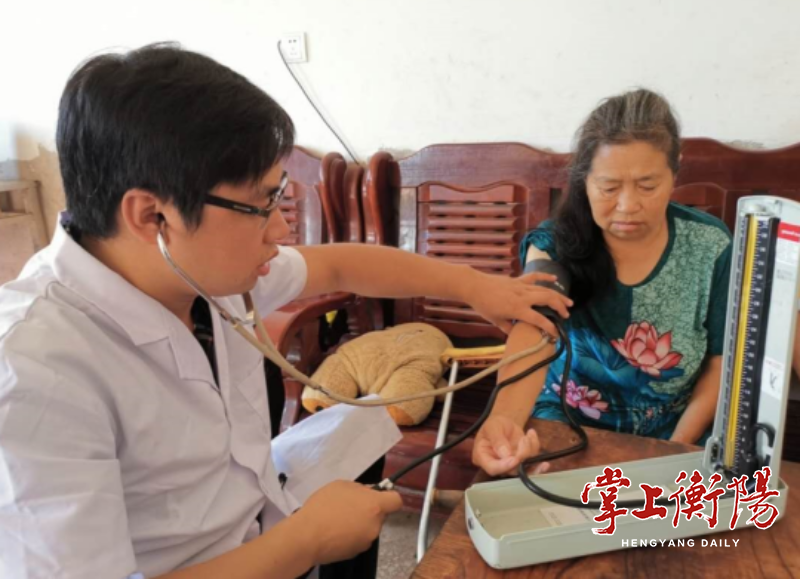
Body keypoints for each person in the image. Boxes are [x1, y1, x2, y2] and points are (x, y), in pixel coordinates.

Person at [0, 44, 571, 579]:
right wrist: (305, 543)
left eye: (279, 197)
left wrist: (475, 286)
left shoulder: (195, 270)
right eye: (261, 205)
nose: (280, 229)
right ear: (153, 217)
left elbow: (340, 266)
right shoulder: (34, 374)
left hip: (256, 512)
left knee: (358, 428)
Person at [473, 88, 734, 477]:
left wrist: (675, 449)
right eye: (609, 188)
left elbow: (720, 360)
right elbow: (534, 328)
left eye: (648, 186)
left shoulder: (710, 245)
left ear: (675, 170)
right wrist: (505, 419)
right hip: (567, 421)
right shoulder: (556, 243)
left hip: (676, 426)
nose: (628, 205)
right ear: (585, 180)